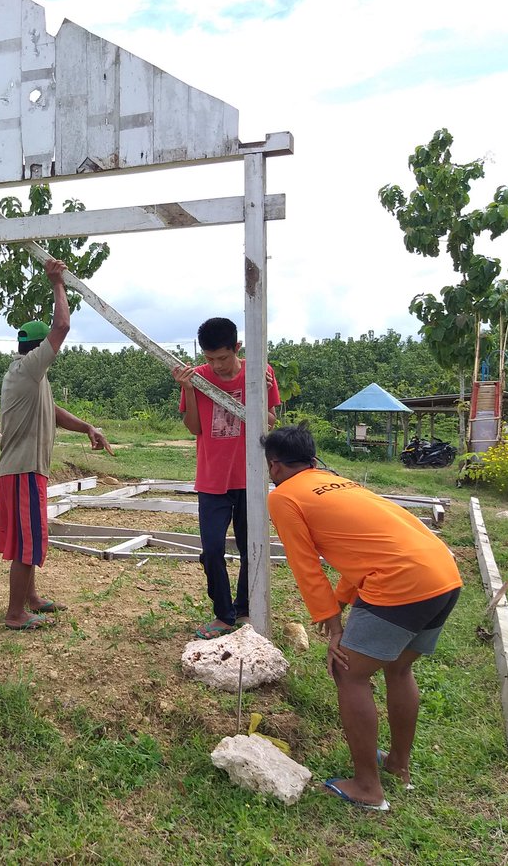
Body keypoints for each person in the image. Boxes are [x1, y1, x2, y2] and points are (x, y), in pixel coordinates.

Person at [263, 424, 462, 811]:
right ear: (311, 458)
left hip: (402, 582)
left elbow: (305, 566)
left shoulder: (285, 496)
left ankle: (368, 788)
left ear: (274, 466)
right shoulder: (340, 483)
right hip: (443, 574)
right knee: (399, 669)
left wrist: (333, 623)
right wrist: (337, 605)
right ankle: (397, 766)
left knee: (348, 672)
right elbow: (366, 548)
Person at [0, 258, 114, 630]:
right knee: (27, 544)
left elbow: (56, 411)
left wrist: (87, 427)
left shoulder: (31, 378)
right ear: (35, 348)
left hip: (23, 470)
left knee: (27, 538)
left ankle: (30, 598)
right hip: (24, 470)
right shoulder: (29, 367)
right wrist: (57, 282)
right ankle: (16, 614)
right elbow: (62, 324)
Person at [171, 317, 280, 639]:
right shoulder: (198, 378)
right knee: (213, 548)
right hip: (212, 480)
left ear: (237, 348)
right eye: (209, 359)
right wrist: (188, 390)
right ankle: (223, 613)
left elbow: (271, 421)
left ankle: (244, 609)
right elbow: (195, 428)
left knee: (252, 547)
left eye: (223, 357)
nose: (216, 365)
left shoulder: (261, 371)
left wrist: (260, 391)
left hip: (250, 478)